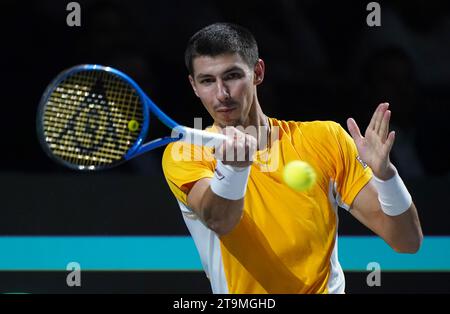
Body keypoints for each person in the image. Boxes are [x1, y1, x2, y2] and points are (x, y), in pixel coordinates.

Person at [161, 23, 423, 294]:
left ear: (258, 72)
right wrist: (234, 169)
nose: (222, 94)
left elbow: (407, 241)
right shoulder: (186, 152)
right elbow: (220, 221)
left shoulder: (325, 138)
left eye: (232, 76)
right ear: (193, 86)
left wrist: (387, 176)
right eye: (207, 81)